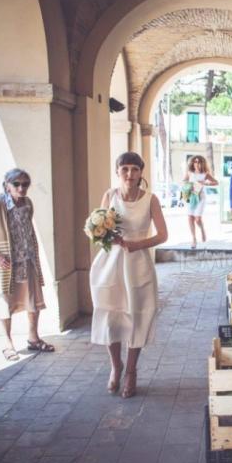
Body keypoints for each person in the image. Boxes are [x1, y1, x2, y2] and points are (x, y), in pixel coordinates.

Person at [89, 152, 168, 398]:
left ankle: (131, 371)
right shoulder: (109, 196)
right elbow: (96, 228)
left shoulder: (150, 200)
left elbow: (163, 236)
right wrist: (102, 234)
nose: (130, 174)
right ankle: (116, 366)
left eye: (135, 169)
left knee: (137, 315)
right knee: (110, 315)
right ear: (118, 172)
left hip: (137, 264)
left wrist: (137, 244)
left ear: (141, 172)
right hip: (110, 262)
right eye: (125, 169)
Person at [0, 168, 54, 361]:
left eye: (25, 184)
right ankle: (7, 343)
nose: (21, 188)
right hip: (7, 264)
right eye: (16, 184)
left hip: (27, 259)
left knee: (32, 300)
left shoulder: (27, 203)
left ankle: (33, 338)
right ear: (6, 186)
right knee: (5, 302)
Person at [183, 155, 218, 249]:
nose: (197, 164)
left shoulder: (205, 174)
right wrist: (188, 185)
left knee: (197, 218)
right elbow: (184, 181)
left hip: (200, 197)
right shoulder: (190, 172)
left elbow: (216, 182)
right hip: (190, 196)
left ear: (202, 163)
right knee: (190, 217)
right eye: (195, 162)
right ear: (193, 163)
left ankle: (202, 230)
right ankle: (194, 239)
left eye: (199, 162)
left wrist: (204, 183)